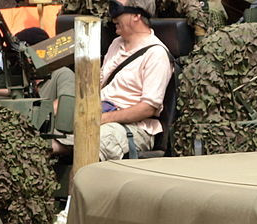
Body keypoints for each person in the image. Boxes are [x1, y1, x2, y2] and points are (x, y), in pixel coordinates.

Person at [52, 0, 174, 160]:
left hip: (133, 127)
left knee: (89, 139)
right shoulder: (116, 45)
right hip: (99, 115)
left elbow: (148, 108)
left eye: (117, 9)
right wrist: (64, 106)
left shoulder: (156, 54)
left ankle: (79, 183)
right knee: (47, 133)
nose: (112, 16)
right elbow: (97, 86)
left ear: (137, 15)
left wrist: (102, 119)